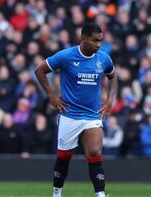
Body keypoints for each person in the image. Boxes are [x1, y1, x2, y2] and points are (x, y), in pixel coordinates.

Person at [34, 23, 117, 197]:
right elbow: (39, 70)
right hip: (69, 114)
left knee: (95, 152)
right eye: (95, 40)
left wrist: (110, 100)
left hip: (92, 114)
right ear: (84, 38)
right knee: (64, 156)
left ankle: (100, 194)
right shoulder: (66, 56)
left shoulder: (104, 59)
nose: (98, 45)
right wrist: (52, 95)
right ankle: (57, 192)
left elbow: (112, 76)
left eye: (100, 41)